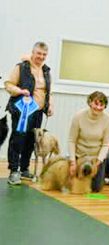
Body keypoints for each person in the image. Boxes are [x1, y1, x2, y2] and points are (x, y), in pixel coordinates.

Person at [5, 42, 54, 185]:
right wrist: (20, 91)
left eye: (44, 54)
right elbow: (8, 85)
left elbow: (48, 92)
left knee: (31, 141)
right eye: (39, 53)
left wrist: (50, 105)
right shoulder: (21, 67)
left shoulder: (46, 71)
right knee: (18, 140)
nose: (41, 57)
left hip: (38, 112)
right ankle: (14, 171)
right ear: (33, 53)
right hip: (22, 111)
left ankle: (24, 168)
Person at [68, 91, 109, 192]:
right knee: (73, 185)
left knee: (96, 188)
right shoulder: (78, 116)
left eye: (102, 104)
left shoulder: (108, 120)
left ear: (105, 106)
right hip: (80, 155)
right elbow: (71, 140)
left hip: (95, 158)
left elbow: (106, 144)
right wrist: (72, 162)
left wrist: (98, 161)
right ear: (90, 102)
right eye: (96, 103)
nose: (98, 107)